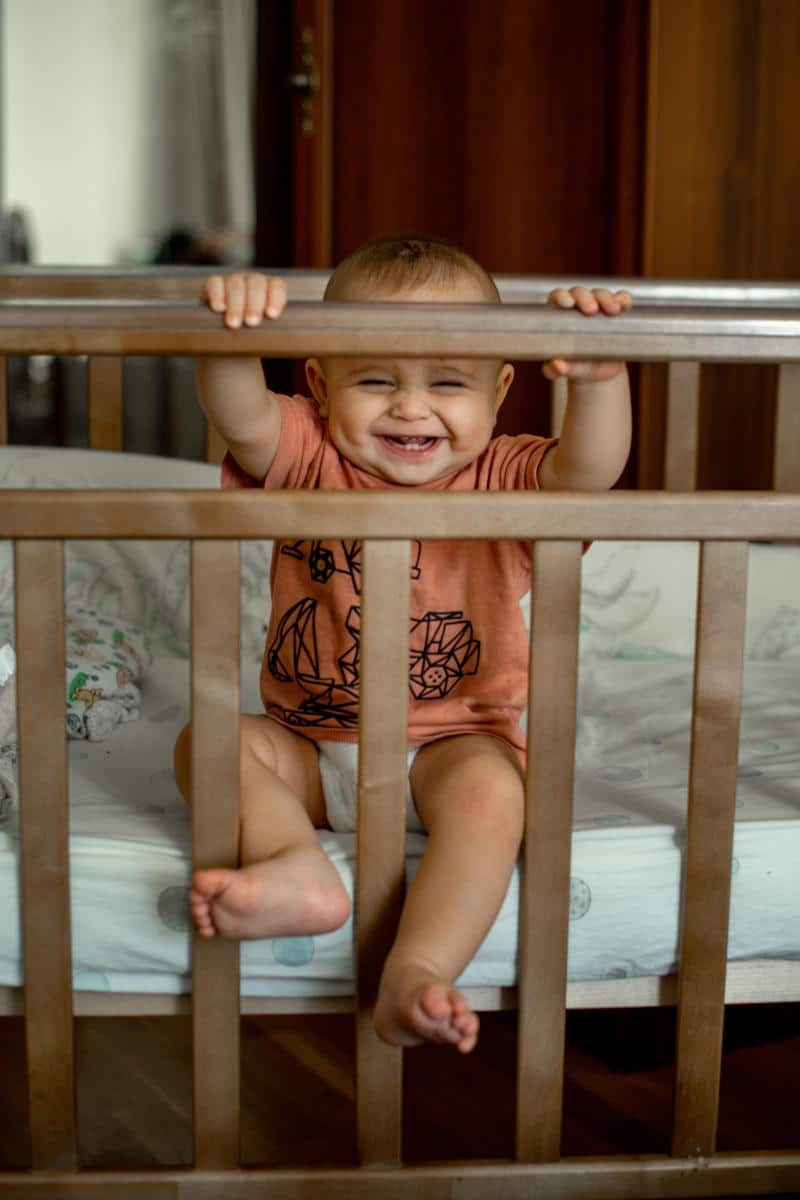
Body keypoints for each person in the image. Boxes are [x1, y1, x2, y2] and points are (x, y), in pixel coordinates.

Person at [174, 234, 632, 1054]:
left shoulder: (506, 478)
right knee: (210, 740)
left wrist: (599, 381)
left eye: (448, 383)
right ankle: (292, 862)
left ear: (499, 392)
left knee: (496, 797)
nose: (411, 408)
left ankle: (417, 967)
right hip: (311, 748)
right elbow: (238, 413)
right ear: (319, 384)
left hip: (448, 747)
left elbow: (591, 476)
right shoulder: (310, 455)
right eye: (376, 379)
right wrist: (233, 334)